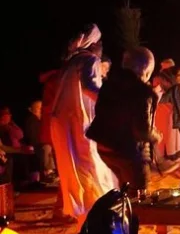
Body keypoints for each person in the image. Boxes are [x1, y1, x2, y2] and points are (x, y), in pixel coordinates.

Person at [50, 24, 117, 221]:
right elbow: (90, 88)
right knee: (91, 164)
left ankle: (84, 214)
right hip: (79, 123)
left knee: (74, 168)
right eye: (100, 42)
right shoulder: (89, 59)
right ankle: (99, 212)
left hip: (64, 124)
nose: (101, 46)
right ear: (93, 44)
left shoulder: (71, 62)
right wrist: (114, 101)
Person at [87, 47, 161, 200]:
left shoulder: (109, 85)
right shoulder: (143, 93)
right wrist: (156, 136)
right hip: (127, 151)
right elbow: (142, 131)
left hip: (105, 147)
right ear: (147, 70)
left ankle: (122, 208)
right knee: (138, 194)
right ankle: (133, 211)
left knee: (123, 188)